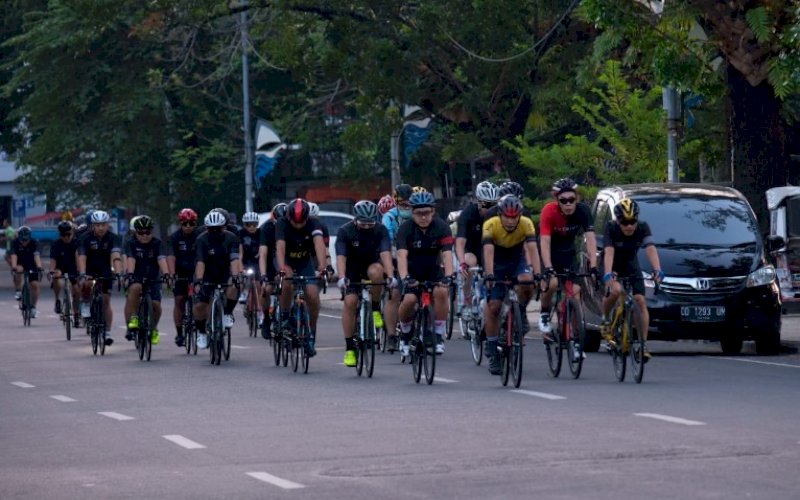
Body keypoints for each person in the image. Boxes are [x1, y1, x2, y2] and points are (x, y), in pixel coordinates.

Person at [481, 195, 541, 375]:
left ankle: (520, 310)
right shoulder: (490, 225)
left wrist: (537, 274)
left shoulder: (526, 224)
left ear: (519, 215)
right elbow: (488, 252)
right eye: (506, 216)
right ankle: (492, 348)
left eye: (514, 217)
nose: (510, 220)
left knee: (527, 281)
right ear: (500, 214)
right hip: (496, 263)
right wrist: (490, 276)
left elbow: (532, 250)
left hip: (516, 260)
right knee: (494, 307)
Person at [601, 198, 663, 361]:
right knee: (616, 291)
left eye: (632, 221)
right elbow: (609, 252)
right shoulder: (611, 228)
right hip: (612, 263)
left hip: (630, 263)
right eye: (625, 222)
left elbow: (650, 249)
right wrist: (608, 274)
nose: (629, 226)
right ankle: (606, 321)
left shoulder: (643, 227)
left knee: (640, 301)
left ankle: (642, 345)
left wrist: (657, 270)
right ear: (618, 220)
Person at [538, 178, 599, 340]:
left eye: (571, 200)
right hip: (549, 253)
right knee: (551, 284)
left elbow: (591, 240)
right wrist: (549, 267)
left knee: (576, 293)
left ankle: (574, 336)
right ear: (557, 200)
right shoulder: (549, 211)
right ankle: (544, 313)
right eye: (563, 201)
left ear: (576, 198)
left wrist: (593, 266)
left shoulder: (583, 211)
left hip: (568, 253)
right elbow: (544, 242)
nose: (568, 204)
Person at [336, 200, 395, 366]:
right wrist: (341, 277)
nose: (368, 227)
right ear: (355, 219)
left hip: (372, 264)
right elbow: (341, 256)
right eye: (364, 223)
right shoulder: (345, 231)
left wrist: (390, 276)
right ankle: (349, 348)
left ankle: (375, 308)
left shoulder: (380, 230)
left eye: (371, 223)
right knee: (350, 302)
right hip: (352, 269)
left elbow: (385, 253)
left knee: (377, 272)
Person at [396, 191, 455, 355]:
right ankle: (405, 331)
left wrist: (449, 275)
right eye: (419, 213)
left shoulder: (441, 227)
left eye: (427, 213)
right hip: (411, 271)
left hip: (433, 271)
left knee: (442, 292)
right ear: (412, 213)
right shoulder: (405, 228)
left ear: (433, 211)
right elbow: (401, 255)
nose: (423, 217)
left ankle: (437, 334)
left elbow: (447, 254)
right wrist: (405, 278)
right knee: (410, 300)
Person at [275, 198, 328, 356]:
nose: (298, 226)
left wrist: (322, 267)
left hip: (304, 261)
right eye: (295, 222)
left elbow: (319, 245)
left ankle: (311, 333)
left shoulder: (313, 223)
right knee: (287, 281)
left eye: (301, 222)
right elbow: (280, 247)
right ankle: (284, 315)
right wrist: (282, 268)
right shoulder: (282, 223)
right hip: (287, 260)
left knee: (312, 295)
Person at [193, 210, 241, 349]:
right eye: (211, 229)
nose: (214, 231)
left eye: (218, 229)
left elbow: (234, 259)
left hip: (225, 270)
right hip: (207, 272)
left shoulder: (231, 238)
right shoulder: (201, 239)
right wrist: (199, 280)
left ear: (224, 227)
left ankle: (227, 313)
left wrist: (236, 276)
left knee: (234, 285)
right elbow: (200, 262)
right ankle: (201, 332)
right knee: (200, 305)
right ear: (206, 228)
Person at [77, 210, 123, 346]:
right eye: (97, 225)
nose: (101, 228)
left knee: (106, 300)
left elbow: (116, 256)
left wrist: (119, 273)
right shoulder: (85, 238)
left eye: (103, 224)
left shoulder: (114, 238)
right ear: (93, 226)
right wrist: (83, 273)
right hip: (90, 267)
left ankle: (107, 331)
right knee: (87, 283)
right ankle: (85, 302)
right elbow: (82, 257)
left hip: (105, 269)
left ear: (107, 225)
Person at [455, 181, 500, 320]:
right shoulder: (468, 214)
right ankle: (466, 297)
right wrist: (462, 263)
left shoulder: (499, 215)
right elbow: (460, 242)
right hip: (471, 249)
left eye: (493, 205)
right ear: (478, 201)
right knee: (470, 263)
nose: (489, 208)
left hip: (489, 250)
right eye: (486, 204)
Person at [124, 216, 170, 345]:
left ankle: (154, 328)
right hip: (137, 275)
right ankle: (134, 317)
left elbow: (161, 259)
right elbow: (131, 259)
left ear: (151, 232)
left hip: (153, 277)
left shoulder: (157, 243)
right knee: (135, 288)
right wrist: (130, 274)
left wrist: (166, 273)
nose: (144, 235)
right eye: (141, 232)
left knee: (156, 306)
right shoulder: (131, 243)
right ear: (136, 232)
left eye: (147, 232)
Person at [380, 184, 415, 347]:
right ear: (396, 202)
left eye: (409, 204)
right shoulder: (389, 217)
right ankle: (392, 335)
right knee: (394, 294)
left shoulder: (418, 214)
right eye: (402, 204)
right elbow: (386, 240)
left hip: (414, 257)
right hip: (394, 256)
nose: (406, 208)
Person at [167, 208, 199, 347]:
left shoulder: (199, 236)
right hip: (180, 271)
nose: (188, 226)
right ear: (180, 223)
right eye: (185, 223)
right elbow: (171, 257)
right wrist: (172, 274)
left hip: (196, 271)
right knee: (179, 300)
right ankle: (179, 333)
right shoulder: (174, 238)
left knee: (200, 299)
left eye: (191, 223)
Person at [258, 202, 287, 339]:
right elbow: (263, 254)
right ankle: (266, 319)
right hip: (271, 261)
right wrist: (263, 275)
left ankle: (289, 315)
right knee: (267, 290)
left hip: (287, 261)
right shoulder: (266, 229)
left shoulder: (292, 227)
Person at [49, 221, 80, 323]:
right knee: (56, 277)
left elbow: (78, 259)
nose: (66, 237)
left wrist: (80, 272)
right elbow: (53, 260)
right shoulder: (56, 245)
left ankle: (76, 313)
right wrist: (52, 271)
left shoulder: (76, 243)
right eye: (64, 235)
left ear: (72, 233)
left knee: (76, 289)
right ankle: (57, 299)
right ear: (60, 234)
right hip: (60, 267)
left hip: (72, 267)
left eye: (68, 234)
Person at [9, 226, 44, 317]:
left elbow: (37, 256)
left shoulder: (35, 243)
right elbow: (14, 255)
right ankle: (18, 290)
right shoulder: (15, 243)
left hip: (31, 263)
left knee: (35, 285)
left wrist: (39, 267)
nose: (24, 242)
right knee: (18, 270)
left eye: (26, 240)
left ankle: (33, 307)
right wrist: (13, 267)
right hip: (20, 262)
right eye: (22, 240)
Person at [238, 211, 264, 322]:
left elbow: (263, 248)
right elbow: (240, 253)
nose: (252, 227)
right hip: (245, 260)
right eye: (249, 224)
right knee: (243, 277)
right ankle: (244, 292)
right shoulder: (241, 234)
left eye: (254, 224)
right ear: (244, 225)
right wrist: (240, 267)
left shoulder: (261, 233)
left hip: (257, 261)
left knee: (258, 285)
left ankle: (259, 310)